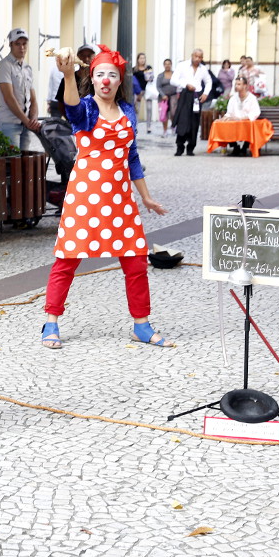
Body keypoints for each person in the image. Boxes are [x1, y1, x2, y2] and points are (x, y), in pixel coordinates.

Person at [42, 44, 170, 350]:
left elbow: (132, 156)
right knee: (67, 259)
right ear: (92, 78)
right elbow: (71, 108)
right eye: (100, 74)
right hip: (85, 197)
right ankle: (51, 322)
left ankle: (141, 325)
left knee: (136, 261)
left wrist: (146, 197)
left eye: (112, 74)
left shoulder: (127, 110)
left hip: (120, 199)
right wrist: (69, 75)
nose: (106, 80)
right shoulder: (86, 108)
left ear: (119, 79)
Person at [0, 29, 41, 149]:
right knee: (12, 159)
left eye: (24, 44)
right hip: (9, 123)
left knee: (25, 159)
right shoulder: (3, 66)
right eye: (17, 44)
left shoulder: (27, 68)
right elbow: (9, 97)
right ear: (11, 45)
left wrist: (33, 119)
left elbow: (33, 99)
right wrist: (27, 121)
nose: (22, 48)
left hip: (26, 124)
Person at [170, 48, 212, 156]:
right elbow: (173, 80)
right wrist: (185, 84)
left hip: (197, 96)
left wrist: (205, 93)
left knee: (194, 122)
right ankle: (180, 146)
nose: (197, 59)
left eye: (200, 57)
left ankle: (191, 147)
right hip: (185, 94)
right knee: (183, 120)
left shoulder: (203, 69)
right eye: (196, 56)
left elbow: (208, 81)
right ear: (192, 55)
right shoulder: (182, 65)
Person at [223, 75, 261, 156]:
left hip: (247, 122)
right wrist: (225, 118)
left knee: (250, 126)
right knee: (224, 125)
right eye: (236, 84)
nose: (236, 86)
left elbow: (256, 112)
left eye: (239, 84)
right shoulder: (233, 98)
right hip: (235, 123)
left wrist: (243, 118)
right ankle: (235, 147)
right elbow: (229, 112)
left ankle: (245, 147)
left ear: (245, 86)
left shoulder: (252, 98)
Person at [133, 52, 155, 132]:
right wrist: (138, 91)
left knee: (149, 108)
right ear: (138, 59)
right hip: (138, 91)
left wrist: (150, 77)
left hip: (147, 90)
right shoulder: (134, 69)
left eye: (144, 58)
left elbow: (151, 78)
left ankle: (148, 126)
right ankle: (135, 126)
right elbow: (133, 81)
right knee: (136, 108)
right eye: (141, 58)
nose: (142, 60)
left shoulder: (148, 68)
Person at [156, 57, 177, 137]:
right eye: (166, 64)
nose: (167, 65)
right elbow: (158, 87)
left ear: (171, 65)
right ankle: (165, 130)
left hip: (174, 96)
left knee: (173, 113)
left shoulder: (175, 74)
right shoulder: (160, 76)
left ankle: (173, 127)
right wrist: (163, 95)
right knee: (164, 114)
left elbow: (178, 84)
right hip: (163, 98)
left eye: (169, 64)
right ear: (163, 65)